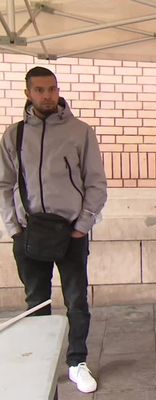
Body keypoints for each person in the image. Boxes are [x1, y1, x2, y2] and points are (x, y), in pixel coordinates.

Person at [0, 67, 107, 394]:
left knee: (76, 300)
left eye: (52, 89)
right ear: (28, 94)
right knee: (36, 301)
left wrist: (82, 225)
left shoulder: (80, 132)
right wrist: (13, 227)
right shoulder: (14, 135)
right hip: (30, 234)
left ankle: (77, 362)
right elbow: (3, 184)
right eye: (40, 90)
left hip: (71, 233)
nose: (48, 96)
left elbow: (96, 184)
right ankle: (42, 359)